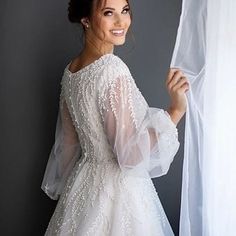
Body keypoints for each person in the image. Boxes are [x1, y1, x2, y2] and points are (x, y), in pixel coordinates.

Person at [41, 0, 189, 235]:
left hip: (84, 182)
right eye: (109, 12)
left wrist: (72, 195)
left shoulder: (71, 71)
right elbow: (129, 157)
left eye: (125, 10)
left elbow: (68, 146)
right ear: (86, 19)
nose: (121, 21)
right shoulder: (111, 68)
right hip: (119, 190)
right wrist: (175, 112)